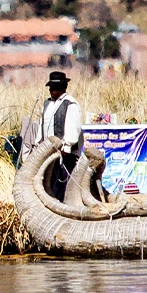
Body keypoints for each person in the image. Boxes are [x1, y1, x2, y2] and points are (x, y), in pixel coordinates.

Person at [40, 72, 84, 200]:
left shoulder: (70, 104)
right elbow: (42, 125)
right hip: (49, 152)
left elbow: (72, 127)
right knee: (49, 183)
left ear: (62, 88)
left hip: (65, 154)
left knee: (62, 183)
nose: (50, 90)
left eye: (53, 88)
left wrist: (66, 147)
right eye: (50, 88)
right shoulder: (47, 104)